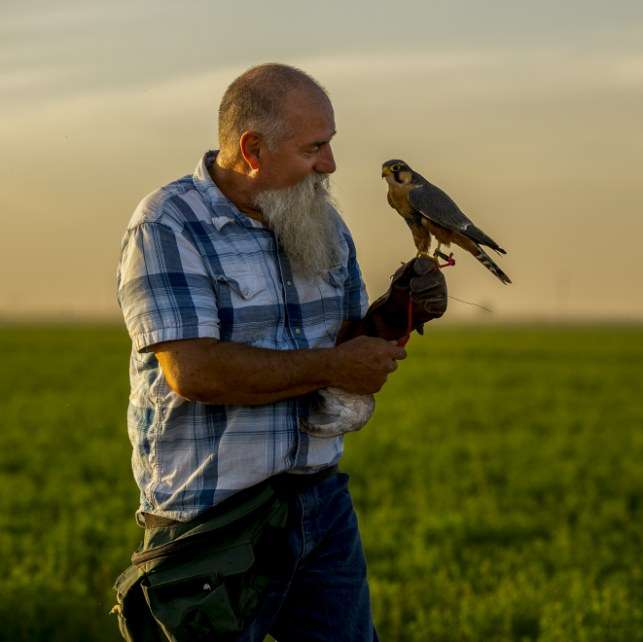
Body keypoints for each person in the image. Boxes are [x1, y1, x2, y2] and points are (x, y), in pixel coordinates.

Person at [113, 63, 447, 641]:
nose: (331, 165)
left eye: (330, 145)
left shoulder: (324, 224)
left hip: (320, 505)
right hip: (211, 521)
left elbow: (344, 354)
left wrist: (398, 314)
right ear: (253, 149)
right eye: (314, 148)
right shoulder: (168, 225)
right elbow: (194, 371)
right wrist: (334, 366)